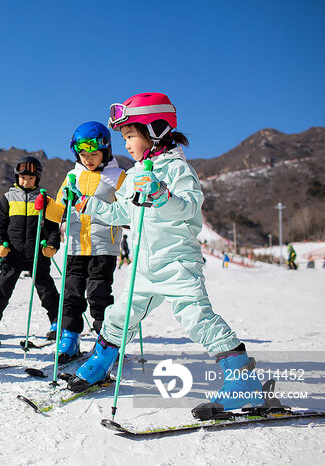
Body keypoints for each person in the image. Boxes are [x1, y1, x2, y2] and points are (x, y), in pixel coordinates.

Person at [65, 92, 263, 414]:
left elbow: (188, 208)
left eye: (130, 135)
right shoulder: (135, 173)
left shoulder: (176, 169)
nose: (126, 144)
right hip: (143, 266)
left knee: (197, 319)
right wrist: (87, 203)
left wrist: (161, 195)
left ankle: (243, 382)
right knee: (119, 315)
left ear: (155, 130)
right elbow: (123, 214)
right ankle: (101, 362)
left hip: (176, 263)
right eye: (125, 137)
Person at [36, 122, 126, 363]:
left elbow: (126, 211)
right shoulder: (73, 175)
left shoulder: (118, 177)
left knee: (98, 295)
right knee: (72, 294)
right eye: (83, 154)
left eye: (94, 154)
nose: (88, 159)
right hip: (75, 246)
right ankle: (70, 337)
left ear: (106, 151)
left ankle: (106, 341)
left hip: (103, 247)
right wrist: (47, 205)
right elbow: (60, 212)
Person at [0, 156, 61, 339]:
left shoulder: (44, 200)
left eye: (31, 178)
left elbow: (52, 228)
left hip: (37, 253)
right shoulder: (8, 198)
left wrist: (51, 245)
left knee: (46, 288)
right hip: (13, 252)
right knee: (3, 286)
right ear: (17, 177)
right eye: (23, 177)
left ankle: (57, 320)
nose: (26, 181)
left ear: (37, 179)